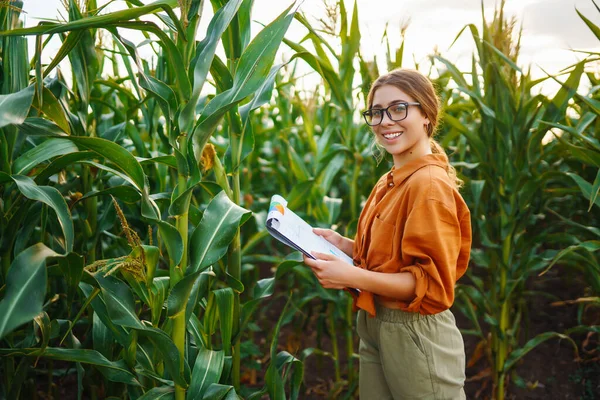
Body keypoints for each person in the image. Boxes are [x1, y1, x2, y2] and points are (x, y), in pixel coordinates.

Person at [303, 68, 471, 399]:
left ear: (425, 114)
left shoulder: (428, 185)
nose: (385, 121)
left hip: (415, 333)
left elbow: (429, 286)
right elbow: (394, 261)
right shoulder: (391, 179)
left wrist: (351, 276)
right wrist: (345, 246)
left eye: (398, 109)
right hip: (378, 323)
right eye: (376, 113)